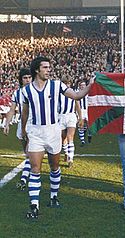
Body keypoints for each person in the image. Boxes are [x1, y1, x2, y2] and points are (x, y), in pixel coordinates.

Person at [21, 56, 94, 219]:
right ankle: (34, 206)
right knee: (35, 169)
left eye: (49, 67)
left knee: (54, 167)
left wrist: (90, 85)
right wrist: (24, 131)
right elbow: (25, 112)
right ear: (36, 70)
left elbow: (76, 96)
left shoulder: (57, 85)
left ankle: (53, 197)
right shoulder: (26, 91)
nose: (49, 70)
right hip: (35, 132)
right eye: (45, 67)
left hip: (53, 131)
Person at [3, 68, 32, 190]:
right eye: (25, 78)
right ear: (21, 80)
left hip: (35, 124)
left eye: (29, 77)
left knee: (29, 152)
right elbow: (12, 109)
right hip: (22, 123)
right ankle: (30, 168)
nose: (28, 80)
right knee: (27, 153)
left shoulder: (38, 90)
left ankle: (24, 179)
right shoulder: (17, 93)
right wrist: (7, 123)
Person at [59, 75, 83, 168]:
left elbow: (77, 105)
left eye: (68, 83)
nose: (67, 84)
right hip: (60, 116)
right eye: (65, 83)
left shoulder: (73, 93)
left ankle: (70, 158)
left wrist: (80, 117)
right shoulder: (58, 93)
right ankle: (66, 152)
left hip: (71, 116)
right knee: (62, 139)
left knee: (70, 137)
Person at [77, 80, 92, 145]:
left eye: (84, 85)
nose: (83, 86)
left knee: (89, 125)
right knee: (81, 124)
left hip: (88, 110)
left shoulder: (89, 92)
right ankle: (82, 141)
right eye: (81, 85)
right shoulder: (77, 93)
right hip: (81, 110)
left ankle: (89, 134)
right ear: (79, 86)